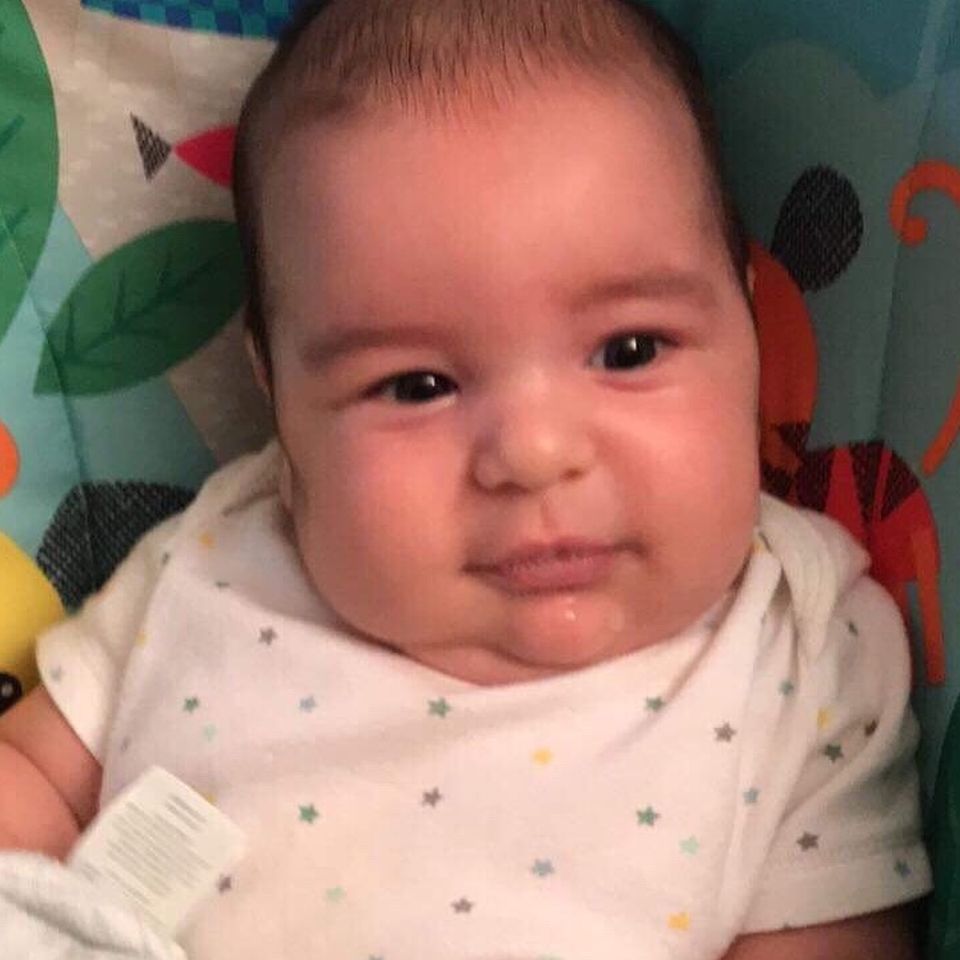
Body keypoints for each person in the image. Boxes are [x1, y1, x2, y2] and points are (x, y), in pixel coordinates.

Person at [0, 1, 932, 957]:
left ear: (750, 324)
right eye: (418, 386)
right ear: (278, 395)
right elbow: (28, 782)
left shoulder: (800, 646)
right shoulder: (215, 562)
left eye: (630, 350)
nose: (533, 455)